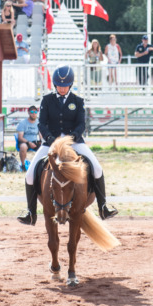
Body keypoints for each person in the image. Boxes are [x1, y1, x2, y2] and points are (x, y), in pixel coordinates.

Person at [17, 66, 117, 225]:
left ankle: (103, 206)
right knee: (30, 174)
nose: (62, 88)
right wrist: (50, 138)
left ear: (70, 85)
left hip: (74, 142)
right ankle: (31, 213)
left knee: (97, 168)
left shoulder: (78, 101)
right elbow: (42, 123)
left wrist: (73, 137)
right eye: (59, 85)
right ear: (55, 85)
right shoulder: (47, 100)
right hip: (51, 143)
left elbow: (81, 124)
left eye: (65, 86)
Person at [16, 105, 41, 170]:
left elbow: (41, 135)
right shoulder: (23, 123)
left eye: (35, 112)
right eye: (32, 112)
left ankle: (40, 166)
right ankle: (23, 165)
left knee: (45, 148)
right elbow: (20, 137)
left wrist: (42, 142)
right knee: (23, 147)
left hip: (34, 141)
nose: (33, 114)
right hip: (25, 141)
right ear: (29, 113)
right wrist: (29, 143)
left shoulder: (38, 123)